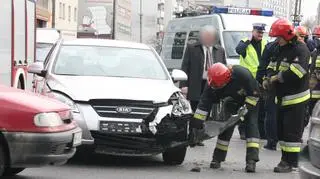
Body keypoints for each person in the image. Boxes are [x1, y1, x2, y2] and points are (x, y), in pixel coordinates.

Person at [189, 63, 260, 173]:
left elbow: (254, 94)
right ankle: (217, 159)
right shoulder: (212, 84)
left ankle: (251, 161)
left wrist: (243, 112)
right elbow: (203, 105)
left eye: (218, 86)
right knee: (225, 128)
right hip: (231, 103)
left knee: (251, 126)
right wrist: (196, 127)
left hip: (249, 102)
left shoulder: (243, 74)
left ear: (228, 79)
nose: (215, 88)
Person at [264, 18, 310, 173]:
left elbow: (298, 71)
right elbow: (271, 65)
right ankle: (286, 160)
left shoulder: (301, 49)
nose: (277, 41)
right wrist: (267, 77)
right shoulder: (279, 48)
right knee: (282, 131)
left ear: (287, 35)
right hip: (282, 98)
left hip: (296, 98)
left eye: (279, 37)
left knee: (292, 133)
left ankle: (290, 162)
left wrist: (277, 77)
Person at [180, 25, 227, 146]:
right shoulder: (192, 48)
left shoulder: (219, 50)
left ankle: (200, 135)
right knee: (195, 109)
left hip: (211, 84)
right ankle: (192, 134)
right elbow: (185, 67)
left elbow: (224, 69)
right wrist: (183, 84)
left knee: (206, 111)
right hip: (196, 83)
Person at [235, 23, 268, 140]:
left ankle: (259, 131)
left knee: (261, 107)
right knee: (246, 106)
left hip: (260, 80)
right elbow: (238, 50)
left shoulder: (265, 43)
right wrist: (248, 40)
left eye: (262, 33)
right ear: (253, 31)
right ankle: (243, 130)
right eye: (258, 32)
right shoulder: (245, 43)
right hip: (247, 80)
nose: (260, 35)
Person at [256, 40, 280, 150]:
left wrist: (262, 81)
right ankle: (275, 139)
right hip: (280, 86)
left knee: (270, 112)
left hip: (272, 85)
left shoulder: (270, 47)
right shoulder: (294, 47)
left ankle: (271, 141)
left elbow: (263, 66)